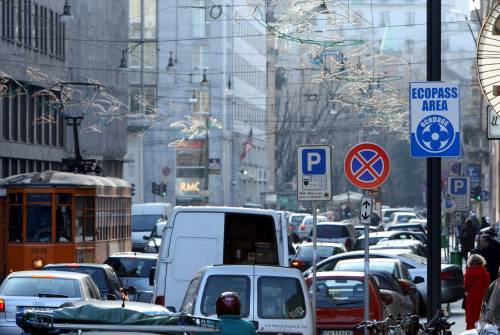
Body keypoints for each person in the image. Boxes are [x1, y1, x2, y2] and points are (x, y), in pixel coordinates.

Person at [464, 254, 490, 330]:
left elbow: (466, 287)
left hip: (471, 299)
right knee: (482, 319)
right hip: (483, 299)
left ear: (470, 262)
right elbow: (487, 285)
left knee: (471, 320)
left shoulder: (468, 273)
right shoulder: (485, 273)